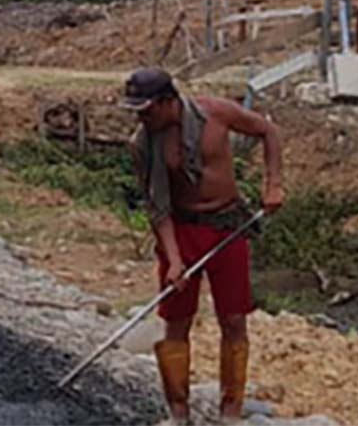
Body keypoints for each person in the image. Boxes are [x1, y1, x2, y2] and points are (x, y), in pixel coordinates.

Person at [121, 68, 283, 424]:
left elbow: (267, 131)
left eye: (145, 109)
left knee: (234, 318)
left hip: (227, 226)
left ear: (167, 102)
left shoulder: (217, 113)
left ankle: (231, 411)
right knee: (176, 321)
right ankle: (179, 412)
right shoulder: (142, 144)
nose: (140, 117)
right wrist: (175, 259)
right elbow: (157, 207)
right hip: (180, 230)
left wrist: (274, 183)